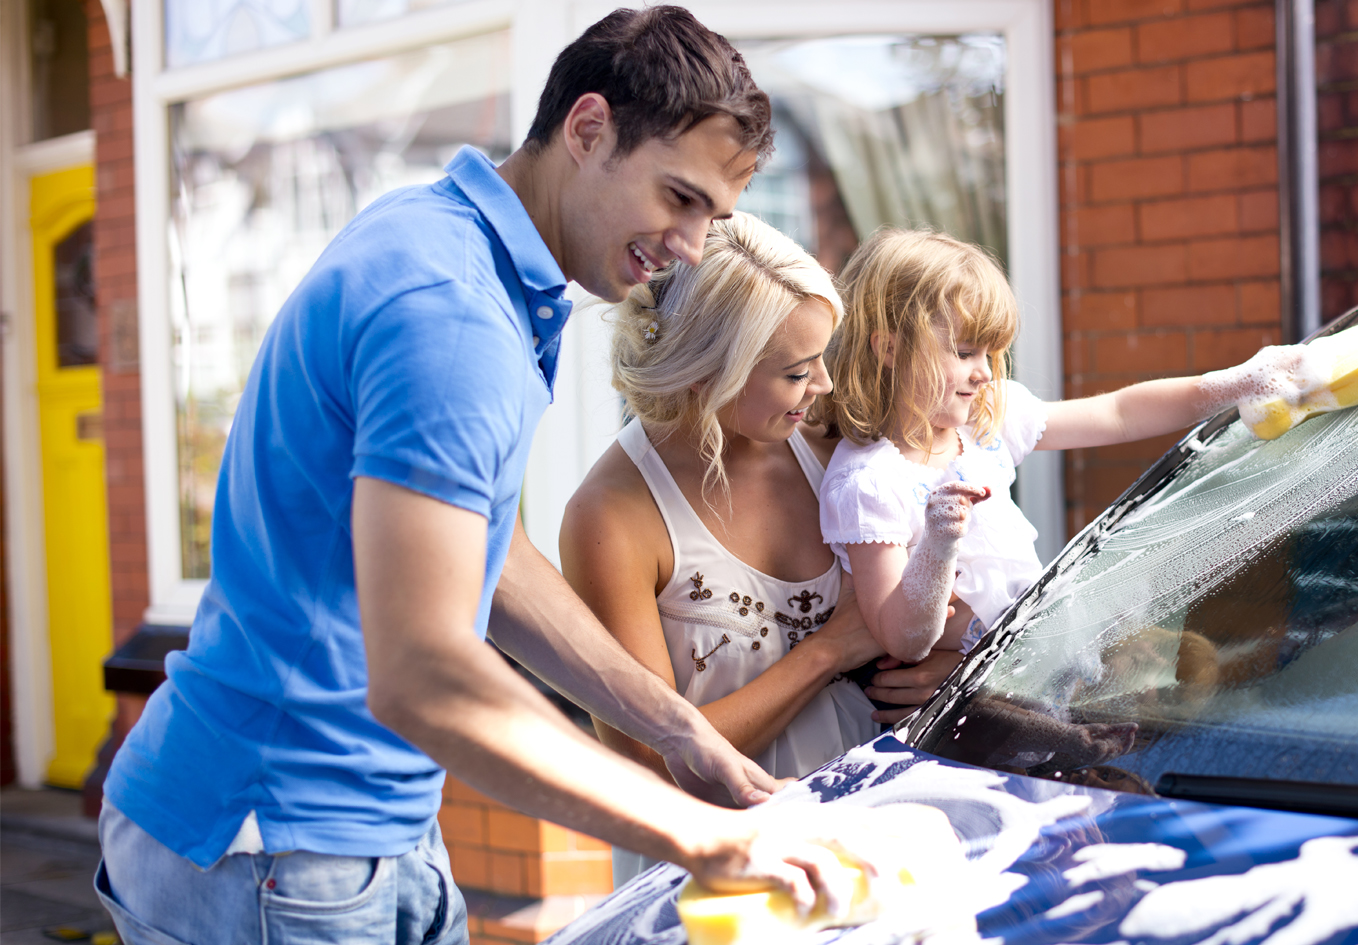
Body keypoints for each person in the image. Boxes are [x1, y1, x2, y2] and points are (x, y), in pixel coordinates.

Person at [97, 9, 893, 943]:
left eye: (712, 215)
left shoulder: (464, 256)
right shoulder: (454, 314)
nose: (689, 245)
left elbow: (490, 548)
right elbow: (425, 672)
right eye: (678, 197)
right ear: (587, 128)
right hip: (273, 840)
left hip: (363, 825)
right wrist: (703, 835)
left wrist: (684, 731)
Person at [563, 211, 932, 886]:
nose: (823, 385)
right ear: (708, 374)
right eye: (796, 370)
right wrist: (826, 651)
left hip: (871, 852)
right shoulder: (611, 518)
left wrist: (937, 672)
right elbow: (650, 765)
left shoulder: (829, 445)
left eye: (822, 357)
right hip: (724, 883)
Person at [816, 228, 1315, 664]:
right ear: (889, 348)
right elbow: (902, 639)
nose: (984, 372)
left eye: (990, 353)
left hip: (1037, 660)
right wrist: (937, 546)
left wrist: (1231, 385)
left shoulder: (986, 423)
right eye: (965, 352)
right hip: (970, 707)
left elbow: (1119, 414)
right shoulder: (870, 483)